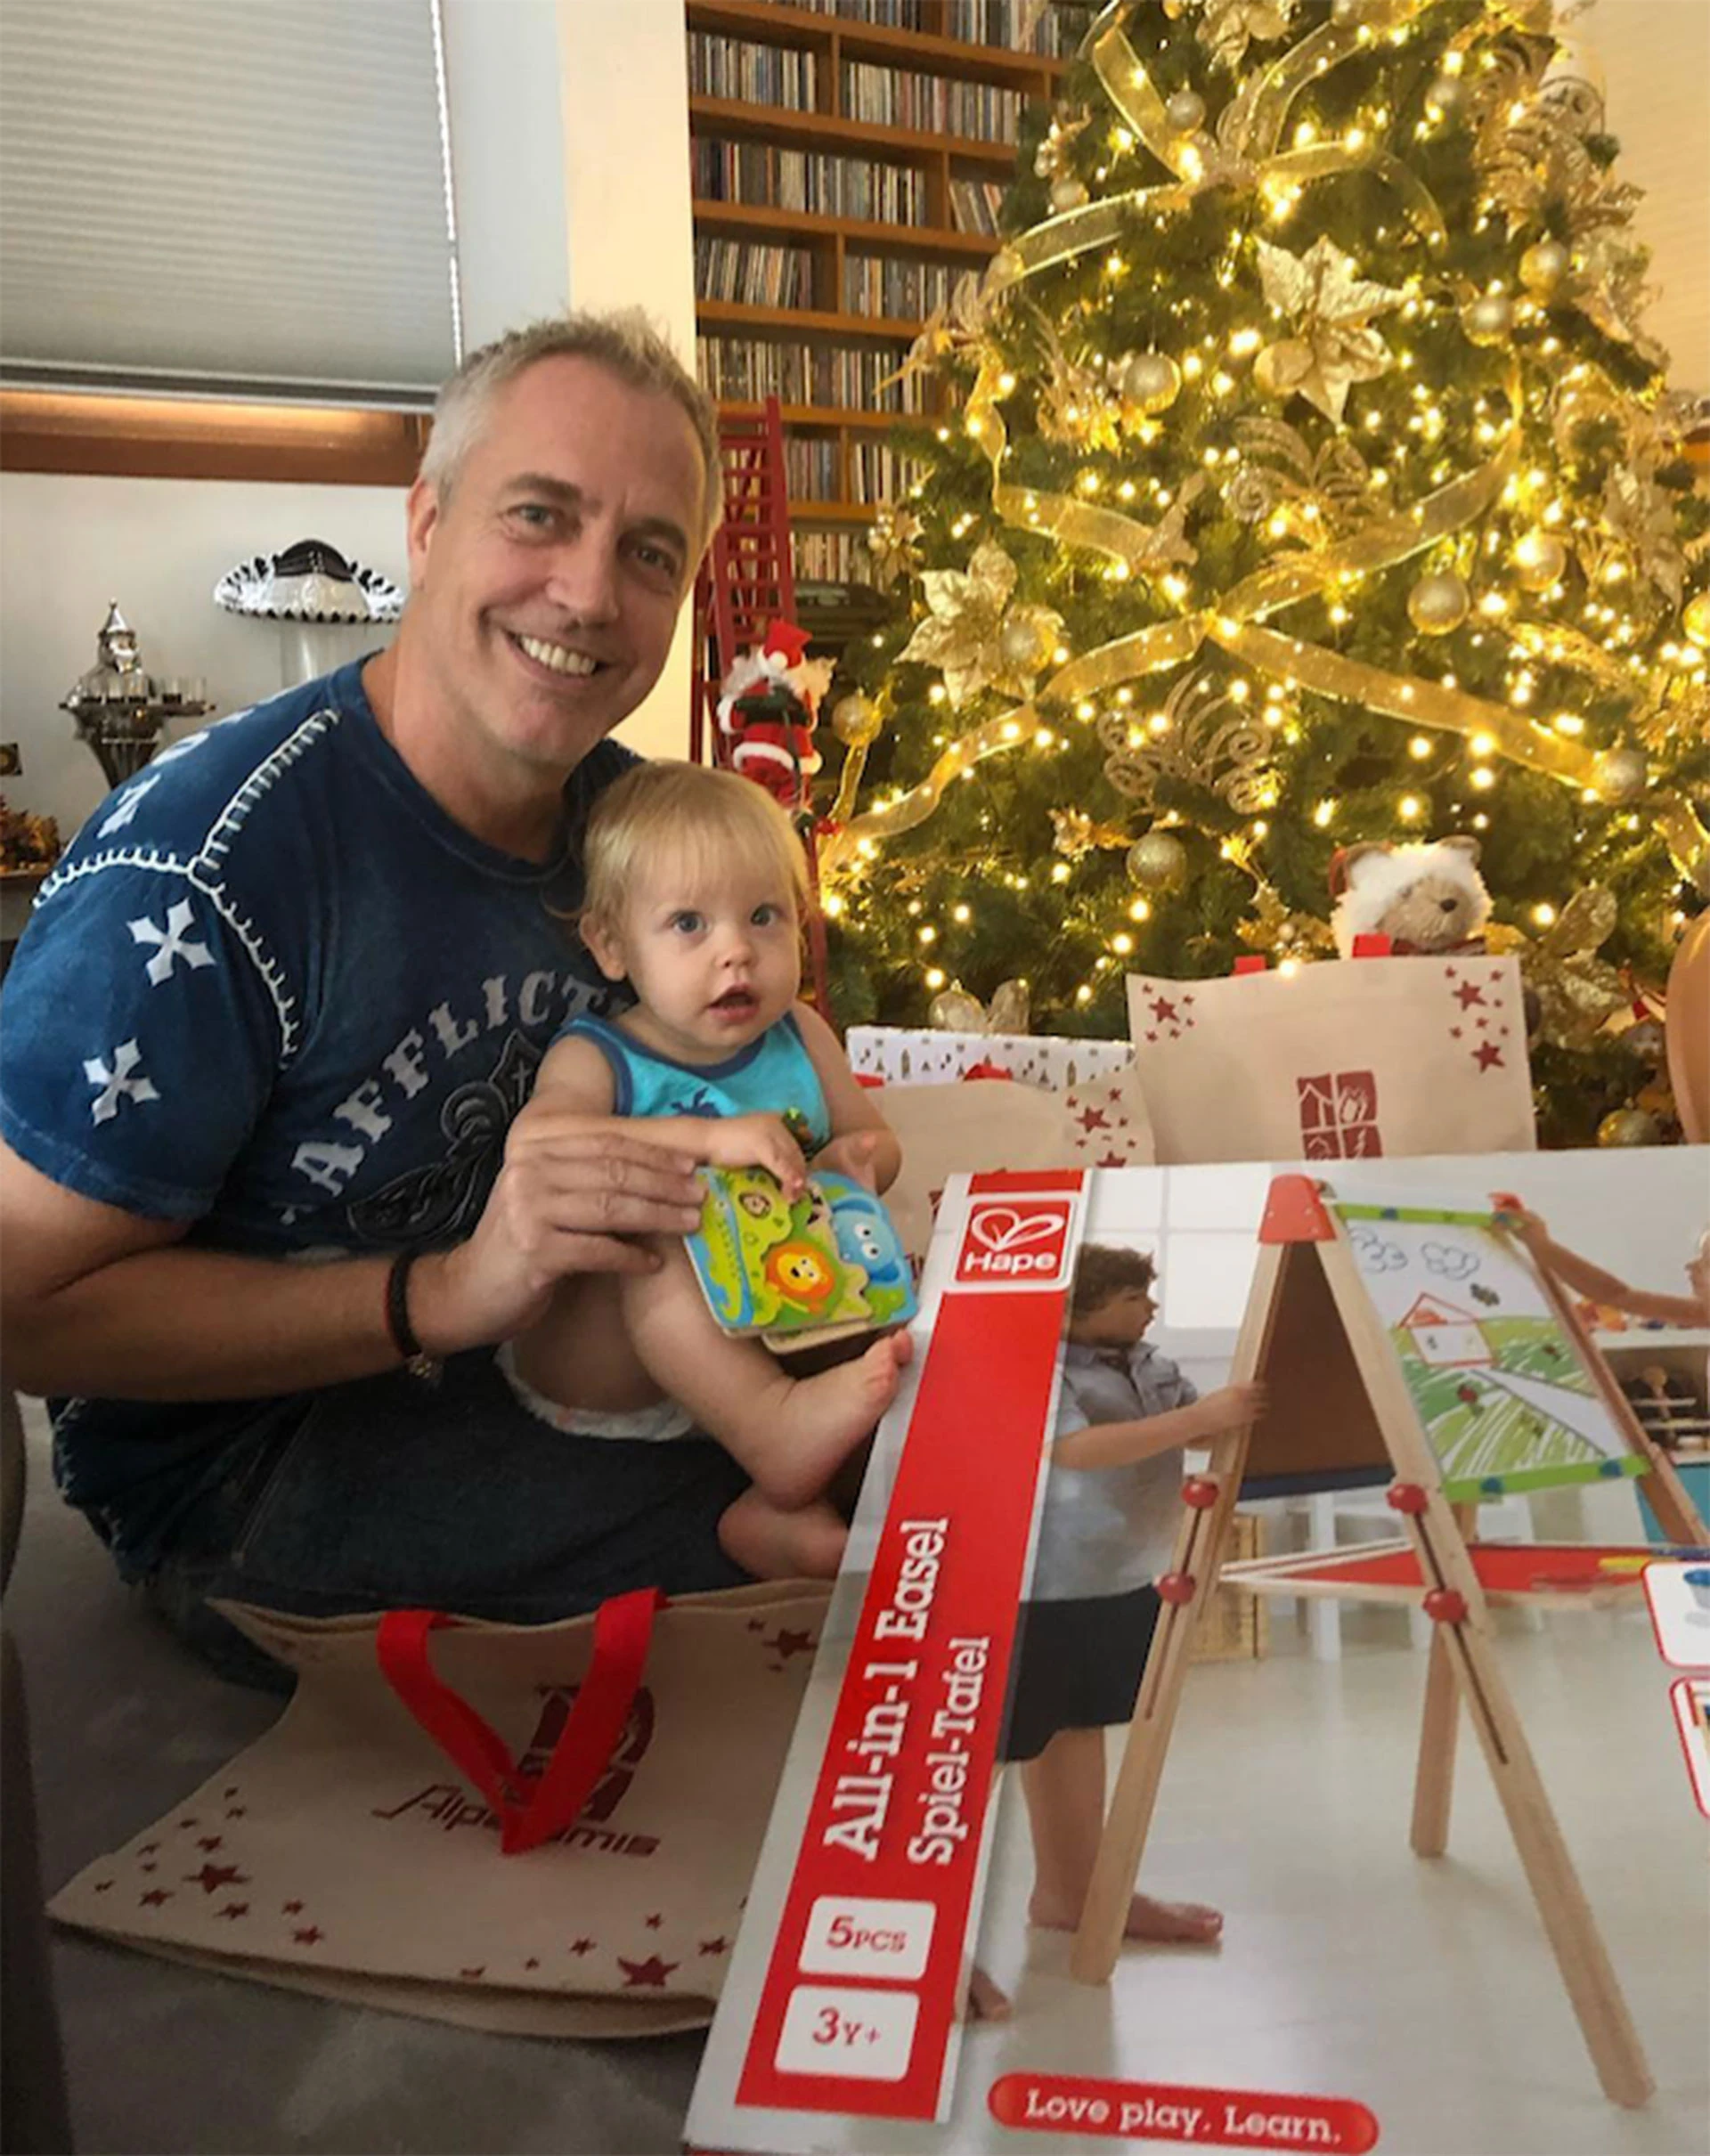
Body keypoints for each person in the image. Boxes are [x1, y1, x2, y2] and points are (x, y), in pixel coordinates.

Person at [0, 309, 844, 1690]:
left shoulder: (636, 832)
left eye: (649, 552)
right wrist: (441, 1294)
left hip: (572, 1354)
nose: (588, 594)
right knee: (839, 1552)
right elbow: (27, 1311)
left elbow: (767, 1064)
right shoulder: (200, 874)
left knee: (929, 1433)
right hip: (252, 1454)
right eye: (539, 515)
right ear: (428, 521)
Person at [502, 760, 906, 1581]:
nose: (736, 952)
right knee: (665, 1226)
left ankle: (780, 1510)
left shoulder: (802, 1035)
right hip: (612, 1370)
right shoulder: (603, 1055)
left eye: (763, 916)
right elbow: (539, 1144)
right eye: (689, 923)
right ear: (613, 945)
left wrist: (850, 1162)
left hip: (766, 1329)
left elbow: (874, 1141)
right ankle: (775, 1432)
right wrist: (708, 1141)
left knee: (885, 1329)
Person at [973, 1243, 1264, 2020]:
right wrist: (1197, 1419)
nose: (1150, 1308)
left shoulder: (1150, 1363)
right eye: (1134, 1297)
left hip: (1122, 1573)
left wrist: (1221, 1419)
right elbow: (1070, 1448)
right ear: (1081, 1304)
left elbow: (1195, 1424)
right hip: (1039, 1580)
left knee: (1080, 1723)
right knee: (992, 1743)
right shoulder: (1044, 1365)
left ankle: (1073, 1890)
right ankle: (929, 1924)